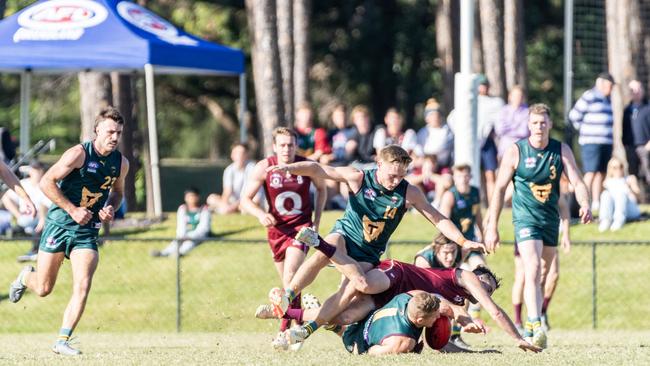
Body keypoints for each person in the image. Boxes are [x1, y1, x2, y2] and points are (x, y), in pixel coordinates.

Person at [261, 145, 486, 344]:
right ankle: (288, 294)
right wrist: (290, 168)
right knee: (324, 252)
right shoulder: (358, 177)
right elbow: (319, 169)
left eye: (401, 176)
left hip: (367, 255)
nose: (395, 181)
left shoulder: (409, 192)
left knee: (348, 296)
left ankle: (306, 328)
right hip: (345, 236)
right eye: (392, 175)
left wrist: (463, 240)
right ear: (379, 164)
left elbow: (438, 218)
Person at [8, 107, 128, 356]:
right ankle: (24, 277)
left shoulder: (121, 163)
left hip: (87, 231)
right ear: (97, 131)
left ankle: (62, 340)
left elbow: (117, 193)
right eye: (109, 132)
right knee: (43, 288)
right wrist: (72, 209)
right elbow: (45, 182)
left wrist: (110, 209)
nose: (114, 137)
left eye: (118, 132)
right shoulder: (78, 154)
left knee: (83, 284)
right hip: (60, 224)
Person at [266, 255, 540, 353]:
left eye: (488, 289)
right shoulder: (464, 276)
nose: (484, 290)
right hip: (397, 275)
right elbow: (492, 310)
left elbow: (444, 338)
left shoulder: (460, 304)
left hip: (399, 299)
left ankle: (285, 311)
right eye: (485, 285)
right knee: (360, 284)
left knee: (344, 318)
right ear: (476, 276)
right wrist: (517, 338)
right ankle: (332, 254)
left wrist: (472, 348)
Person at [485, 103, 592, 349]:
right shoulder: (516, 151)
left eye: (543, 122)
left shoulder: (560, 150)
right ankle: (535, 323)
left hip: (549, 220)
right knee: (531, 268)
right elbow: (500, 189)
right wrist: (492, 225)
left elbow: (577, 179)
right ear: (528, 125)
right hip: (525, 219)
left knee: (543, 272)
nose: (539, 127)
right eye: (534, 123)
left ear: (550, 124)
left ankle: (535, 315)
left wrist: (585, 204)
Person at [241, 127, 327, 338]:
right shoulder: (264, 167)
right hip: (276, 231)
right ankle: (297, 324)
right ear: (274, 146)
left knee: (291, 275)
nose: (286, 149)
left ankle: (284, 327)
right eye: (282, 145)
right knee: (289, 285)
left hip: (301, 228)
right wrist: (260, 214)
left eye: (290, 144)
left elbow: (322, 188)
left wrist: (316, 221)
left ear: (296, 146)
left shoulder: (305, 165)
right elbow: (244, 199)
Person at [512, 178, 572, 333]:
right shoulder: (523, 178)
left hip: (548, 231)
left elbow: (564, 206)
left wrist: (566, 234)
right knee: (524, 276)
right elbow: (502, 192)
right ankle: (519, 321)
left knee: (550, 275)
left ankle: (540, 312)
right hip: (526, 230)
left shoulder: (552, 182)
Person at [437, 164, 484, 347]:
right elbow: (442, 221)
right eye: (460, 176)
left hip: (470, 246)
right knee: (460, 287)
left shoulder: (474, 192)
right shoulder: (450, 195)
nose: (464, 179)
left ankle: (476, 313)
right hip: (454, 250)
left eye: (466, 175)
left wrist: (484, 234)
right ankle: (454, 333)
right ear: (454, 178)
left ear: (470, 176)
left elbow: (478, 215)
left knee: (482, 273)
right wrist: (449, 247)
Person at [569, 72, 615, 210]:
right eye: (609, 85)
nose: (611, 88)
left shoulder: (607, 99)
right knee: (590, 172)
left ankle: (596, 202)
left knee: (601, 172)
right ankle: (582, 204)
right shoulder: (589, 96)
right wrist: (586, 129)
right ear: (601, 83)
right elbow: (574, 115)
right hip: (591, 141)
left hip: (605, 142)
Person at [341, 291, 441, 355]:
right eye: (435, 316)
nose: (439, 316)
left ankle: (335, 326)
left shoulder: (405, 298)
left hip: (367, 318)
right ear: (420, 320)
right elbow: (370, 352)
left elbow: (419, 293)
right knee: (350, 339)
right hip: (356, 339)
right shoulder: (404, 342)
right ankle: (336, 328)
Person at [1, 160, 51, 262]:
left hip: (41, 218)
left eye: (37, 169)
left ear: (42, 171)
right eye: (33, 169)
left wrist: (25, 198)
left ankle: (35, 252)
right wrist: (17, 214)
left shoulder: (46, 184)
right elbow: (6, 198)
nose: (35, 172)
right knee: (21, 225)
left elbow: (4, 171)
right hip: (25, 218)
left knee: (40, 226)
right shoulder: (25, 183)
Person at [151, 187, 211, 257]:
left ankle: (179, 254)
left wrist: (190, 236)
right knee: (175, 242)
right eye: (188, 196)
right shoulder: (182, 209)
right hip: (184, 235)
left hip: (199, 236)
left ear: (198, 197)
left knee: (189, 243)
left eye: (193, 196)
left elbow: (204, 228)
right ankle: (163, 253)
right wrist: (182, 235)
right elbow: (180, 226)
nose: (191, 199)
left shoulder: (204, 209)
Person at [207, 144, 257, 214]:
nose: (240, 156)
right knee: (211, 199)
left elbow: (249, 193)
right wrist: (224, 204)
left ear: (246, 155)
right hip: (233, 201)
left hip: (248, 199)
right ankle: (228, 209)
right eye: (237, 153)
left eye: (242, 153)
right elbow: (227, 191)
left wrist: (232, 207)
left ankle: (232, 209)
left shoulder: (252, 167)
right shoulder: (229, 170)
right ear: (232, 155)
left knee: (254, 202)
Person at [598, 157, 641, 232]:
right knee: (605, 194)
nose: (618, 169)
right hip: (613, 210)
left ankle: (619, 221)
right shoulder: (607, 182)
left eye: (620, 166)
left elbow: (638, 197)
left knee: (620, 194)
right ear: (610, 169)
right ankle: (606, 220)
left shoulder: (630, 178)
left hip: (630, 209)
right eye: (615, 167)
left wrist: (630, 187)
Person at [415, 98, 454, 169]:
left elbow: (439, 148)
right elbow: (418, 150)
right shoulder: (422, 131)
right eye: (431, 115)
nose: (435, 117)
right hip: (425, 165)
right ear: (426, 118)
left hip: (442, 166)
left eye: (437, 115)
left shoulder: (447, 130)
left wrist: (428, 156)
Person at [495, 85, 530, 160]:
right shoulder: (503, 111)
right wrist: (516, 126)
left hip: (522, 151)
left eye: (520, 95)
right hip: (504, 150)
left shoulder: (528, 112)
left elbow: (524, 132)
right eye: (515, 95)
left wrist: (508, 128)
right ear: (509, 96)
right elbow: (499, 130)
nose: (517, 98)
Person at [622, 80, 646, 180]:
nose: (635, 92)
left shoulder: (648, 107)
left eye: (638, 89)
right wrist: (625, 144)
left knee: (647, 173)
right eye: (632, 89)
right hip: (630, 147)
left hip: (645, 147)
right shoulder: (627, 109)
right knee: (633, 176)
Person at [347, 105, 378, 170]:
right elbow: (349, 155)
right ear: (354, 121)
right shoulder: (353, 132)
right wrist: (350, 149)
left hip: (373, 165)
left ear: (369, 118)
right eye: (358, 118)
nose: (361, 120)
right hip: (357, 164)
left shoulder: (377, 131)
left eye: (364, 117)